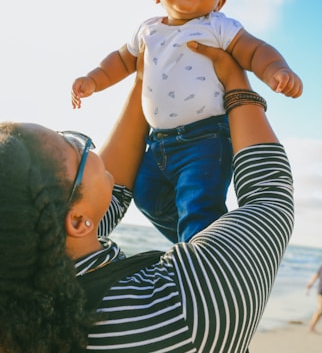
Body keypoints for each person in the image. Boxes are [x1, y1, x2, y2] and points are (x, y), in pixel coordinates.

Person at [1, 43, 294, 352]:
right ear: (76, 221)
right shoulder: (178, 309)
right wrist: (236, 80)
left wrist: (147, 78)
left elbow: (110, 190)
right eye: (75, 145)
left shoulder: (33, 301)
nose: (91, 147)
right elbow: (269, 195)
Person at [71, 0, 302, 244]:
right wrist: (93, 80)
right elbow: (121, 60)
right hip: (158, 142)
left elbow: (255, 50)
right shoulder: (148, 30)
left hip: (206, 139)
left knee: (199, 205)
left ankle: (202, 250)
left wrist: (276, 69)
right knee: (147, 197)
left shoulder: (217, 26)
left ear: (220, 1)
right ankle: (192, 244)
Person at [306, 264, 322, 333]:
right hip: (321, 291)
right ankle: (311, 326)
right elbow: (316, 275)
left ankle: (312, 326)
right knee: (320, 309)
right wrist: (311, 283)